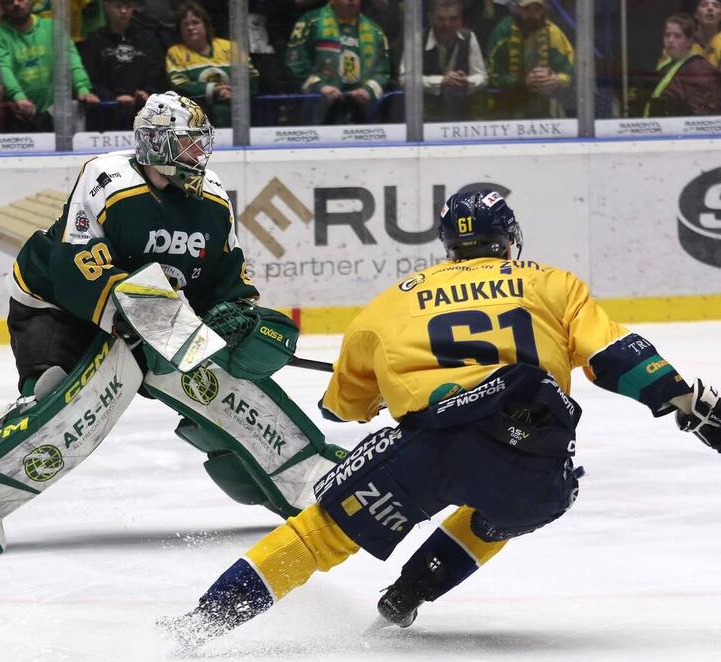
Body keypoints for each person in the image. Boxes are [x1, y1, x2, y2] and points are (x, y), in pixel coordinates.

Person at [160, 188, 721, 651]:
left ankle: (198, 627)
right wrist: (687, 405)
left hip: (428, 454)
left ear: (450, 244)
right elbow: (616, 356)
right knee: (501, 509)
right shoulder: (553, 284)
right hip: (536, 465)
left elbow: (342, 407)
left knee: (319, 535)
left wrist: (378, 394)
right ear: (509, 239)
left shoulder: (389, 304)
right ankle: (410, 593)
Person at [0, 90, 345, 555]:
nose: (199, 153)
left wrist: (237, 315)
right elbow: (80, 263)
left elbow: (224, 276)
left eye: (201, 143)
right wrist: (163, 320)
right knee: (65, 396)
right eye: (187, 143)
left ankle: (306, 475)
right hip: (58, 305)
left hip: (153, 315)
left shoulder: (214, 197)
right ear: (155, 142)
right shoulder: (106, 178)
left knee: (216, 381)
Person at [0, 0, 99, 131]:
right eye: (9, 1)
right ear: (2, 6)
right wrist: (19, 97)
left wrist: (83, 88)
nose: (16, 4)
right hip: (18, 113)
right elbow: (3, 68)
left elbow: (71, 59)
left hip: (55, 112)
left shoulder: (53, 27)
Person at [285, 0, 390, 125]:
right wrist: (319, 87)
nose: (351, 1)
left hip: (360, 106)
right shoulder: (312, 21)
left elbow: (382, 70)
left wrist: (368, 90)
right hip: (319, 102)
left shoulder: (375, 31)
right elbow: (295, 60)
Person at [165, 2, 258, 129]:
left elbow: (251, 76)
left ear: (206, 25)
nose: (190, 28)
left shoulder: (230, 47)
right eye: (185, 25)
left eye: (195, 22)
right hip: (196, 116)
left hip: (235, 111)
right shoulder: (175, 52)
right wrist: (214, 90)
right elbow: (179, 84)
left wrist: (234, 93)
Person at [80, 0, 165, 131]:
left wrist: (146, 92)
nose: (123, 11)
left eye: (128, 6)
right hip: (104, 112)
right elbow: (91, 76)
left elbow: (156, 72)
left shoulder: (148, 40)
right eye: (118, 6)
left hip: (143, 113)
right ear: (107, 7)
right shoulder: (94, 40)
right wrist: (111, 97)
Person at [399, 0, 487, 121]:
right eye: (440, 19)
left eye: (453, 18)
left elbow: (482, 76)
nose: (447, 24)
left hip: (462, 115)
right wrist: (440, 82)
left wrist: (466, 81)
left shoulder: (469, 37)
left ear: (461, 19)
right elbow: (404, 80)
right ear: (430, 18)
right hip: (424, 118)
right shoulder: (416, 41)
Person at [486, 0, 574, 119]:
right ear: (517, 9)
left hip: (544, 107)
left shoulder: (553, 32)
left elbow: (569, 66)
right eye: (527, 9)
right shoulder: (503, 31)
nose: (532, 14)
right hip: (506, 107)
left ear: (543, 10)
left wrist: (557, 80)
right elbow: (493, 74)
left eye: (537, 9)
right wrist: (523, 83)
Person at [645, 13, 721, 117]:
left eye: (677, 36)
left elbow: (702, 118)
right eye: (667, 35)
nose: (670, 40)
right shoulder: (665, 65)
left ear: (690, 41)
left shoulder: (699, 70)